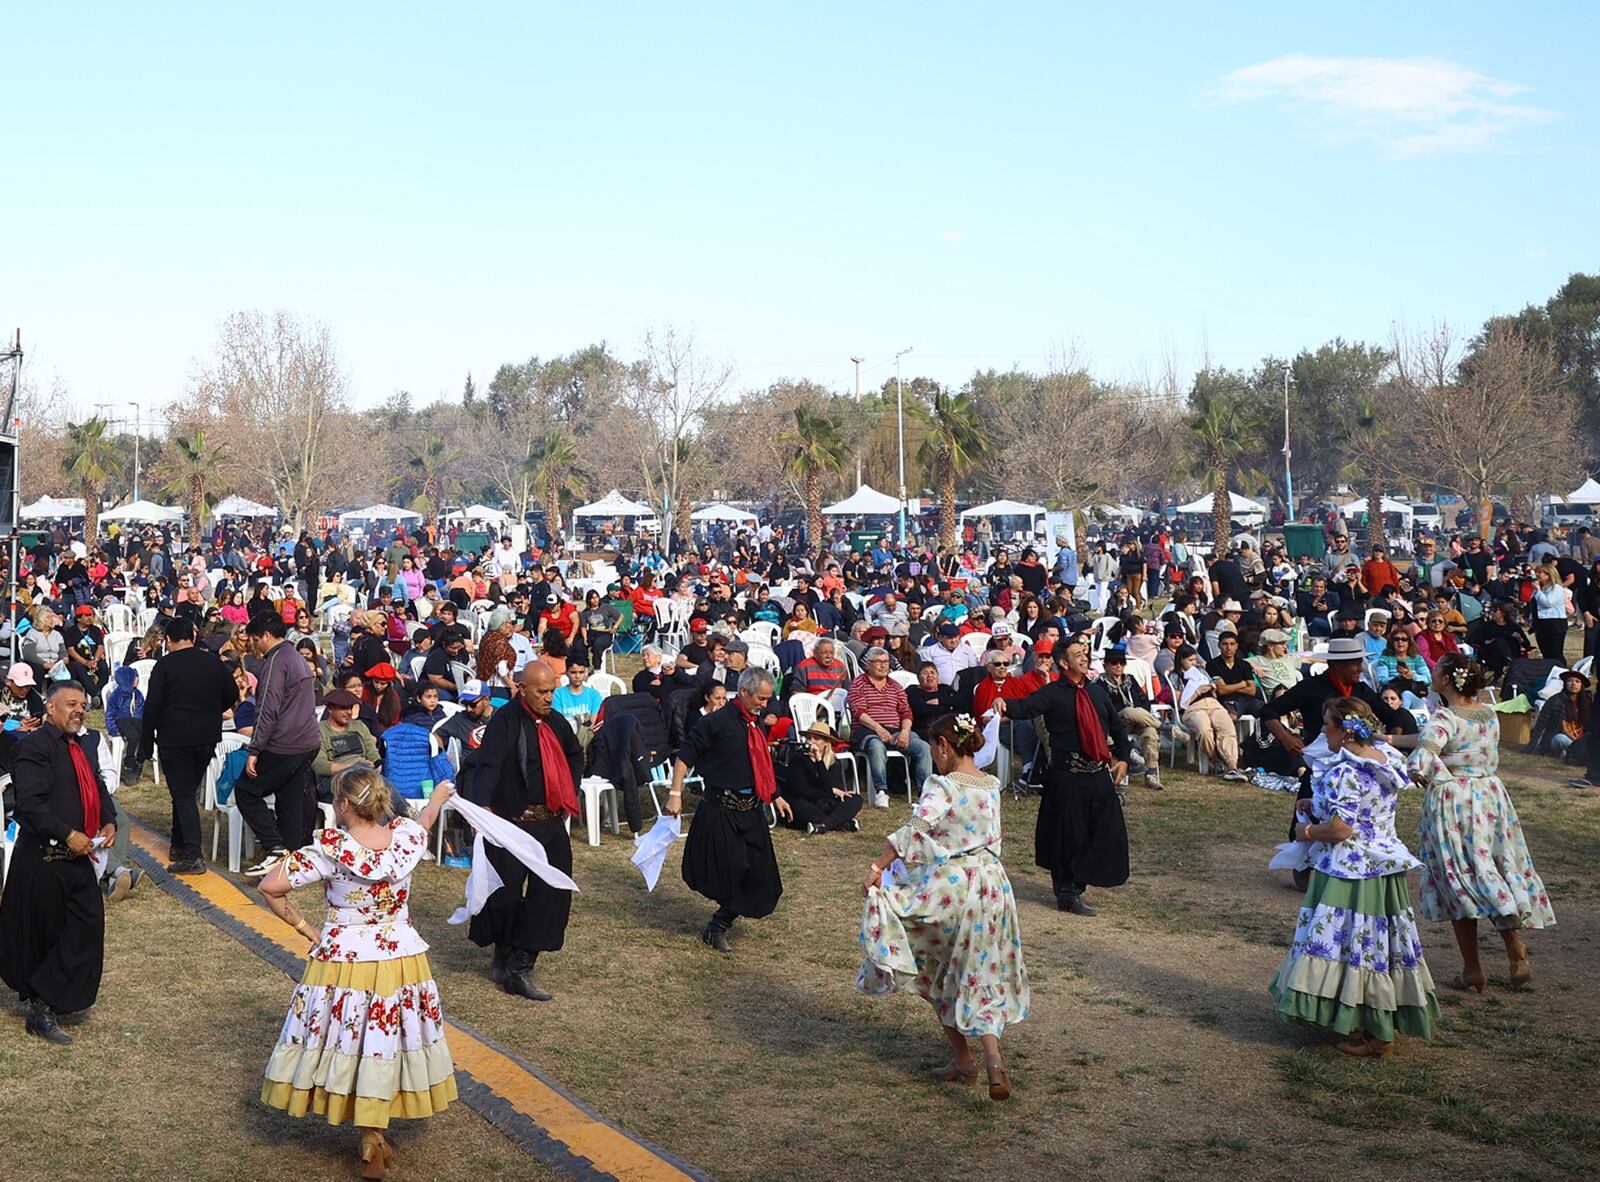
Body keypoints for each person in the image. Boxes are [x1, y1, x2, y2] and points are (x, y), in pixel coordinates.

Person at [258, 768, 458, 1179]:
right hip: (400, 953)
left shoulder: (330, 850)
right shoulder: (406, 840)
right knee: (387, 1040)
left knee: (348, 1036)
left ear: (344, 805)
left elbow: (270, 886)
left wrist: (309, 931)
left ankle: (366, 1129)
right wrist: (436, 798)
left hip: (344, 956)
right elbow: (423, 823)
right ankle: (374, 1130)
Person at [859, 712, 1028, 1101]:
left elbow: (916, 828)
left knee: (928, 965)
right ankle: (990, 1060)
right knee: (979, 970)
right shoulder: (990, 785)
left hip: (955, 886)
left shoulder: (944, 785)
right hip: (994, 886)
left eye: (935, 748)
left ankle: (963, 1057)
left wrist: (877, 867)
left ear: (943, 745)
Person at [1269, 698, 1438, 1057]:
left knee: (1349, 944)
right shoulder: (1386, 761)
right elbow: (1365, 810)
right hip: (1383, 865)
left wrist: (1306, 832)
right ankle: (1377, 1022)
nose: (1322, 731)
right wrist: (1313, 805)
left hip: (1348, 870)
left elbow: (1343, 828)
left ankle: (1374, 1032)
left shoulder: (1344, 772)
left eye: (1326, 724)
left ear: (1345, 729)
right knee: (1378, 946)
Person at [1408, 654, 1554, 991]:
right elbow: (1445, 743)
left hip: (1454, 803)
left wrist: (1416, 769)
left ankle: (1474, 967)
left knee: (1456, 878)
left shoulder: (1444, 716)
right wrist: (1389, 740)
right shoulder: (1488, 713)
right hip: (1489, 797)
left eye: (1437, 667)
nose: (1432, 671)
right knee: (1489, 867)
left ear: (1446, 679)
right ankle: (1512, 946)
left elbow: (1425, 754)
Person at [0, 681, 117, 1044]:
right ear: (50, 708)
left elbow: (96, 787)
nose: (79, 710)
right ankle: (41, 1008)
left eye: (82, 705)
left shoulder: (79, 746)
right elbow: (30, 804)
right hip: (44, 859)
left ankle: (52, 996)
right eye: (71, 704)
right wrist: (68, 834)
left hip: (79, 858)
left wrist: (109, 818)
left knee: (86, 928)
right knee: (46, 937)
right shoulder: (33, 747)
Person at [465, 661, 582, 1001]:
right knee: (506, 894)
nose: (548, 698)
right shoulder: (504, 722)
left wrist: (566, 792)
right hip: (511, 822)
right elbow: (488, 764)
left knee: (554, 890)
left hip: (548, 821)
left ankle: (522, 964)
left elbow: (575, 755)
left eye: (552, 692)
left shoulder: (556, 723)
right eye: (542, 692)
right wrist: (483, 809)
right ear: (522, 688)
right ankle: (503, 952)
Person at [994, 638, 1129, 916]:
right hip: (1067, 777)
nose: (1084, 658)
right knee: (1070, 835)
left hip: (1097, 774)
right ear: (1064, 663)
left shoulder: (1097, 692)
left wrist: (1124, 758)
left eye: (1085, 653)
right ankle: (1068, 891)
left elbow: (1116, 726)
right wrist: (1002, 702)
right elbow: (1025, 708)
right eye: (1077, 655)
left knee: (1106, 830)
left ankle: (1080, 879)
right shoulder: (1052, 693)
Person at [666, 668, 792, 953]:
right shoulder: (715, 723)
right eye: (760, 698)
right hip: (721, 810)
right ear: (745, 692)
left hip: (751, 811)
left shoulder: (755, 726)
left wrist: (776, 796)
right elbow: (685, 758)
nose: (764, 704)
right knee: (734, 870)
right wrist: (675, 795)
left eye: (768, 699)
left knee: (763, 877)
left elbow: (760, 765)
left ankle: (720, 921)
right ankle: (718, 926)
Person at [136, 616, 239, 874]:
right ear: (192, 637)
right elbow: (232, 693)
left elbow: (152, 706)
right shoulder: (213, 662)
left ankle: (193, 854)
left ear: (168, 640)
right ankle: (179, 843)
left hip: (175, 737)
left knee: (182, 794)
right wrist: (213, 709)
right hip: (206, 736)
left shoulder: (165, 665)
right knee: (185, 792)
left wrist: (145, 745)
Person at [239, 613, 322, 876]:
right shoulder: (297, 657)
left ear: (266, 635)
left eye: (255, 639)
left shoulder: (275, 661)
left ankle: (274, 847)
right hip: (307, 742)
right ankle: (290, 862)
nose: (254, 646)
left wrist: (255, 749)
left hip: (284, 744)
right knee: (290, 801)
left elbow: (266, 710)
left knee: (246, 791)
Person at [847, 647, 933, 808]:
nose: (883, 665)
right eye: (878, 662)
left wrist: (906, 732)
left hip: (896, 730)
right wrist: (878, 729)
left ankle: (924, 794)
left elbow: (906, 712)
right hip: (867, 730)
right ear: (868, 664)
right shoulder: (858, 683)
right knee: (876, 746)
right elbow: (858, 712)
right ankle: (881, 791)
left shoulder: (895, 686)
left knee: (924, 748)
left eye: (886, 662)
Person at [1174, 645, 1247, 780]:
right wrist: (1197, 691)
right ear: (1181, 660)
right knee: (1204, 730)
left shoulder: (1201, 671)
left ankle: (1232, 765)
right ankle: (1215, 759)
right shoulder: (1176, 677)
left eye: (1195, 660)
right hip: (1193, 707)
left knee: (1227, 727)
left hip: (1212, 703)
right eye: (1190, 660)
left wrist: (1212, 690)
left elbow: (1214, 694)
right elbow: (1180, 703)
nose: (1193, 663)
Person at [779, 724, 863, 834]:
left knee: (855, 799)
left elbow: (830, 788)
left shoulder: (834, 762)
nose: (811, 741)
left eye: (816, 738)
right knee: (801, 806)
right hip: (805, 802)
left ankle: (824, 825)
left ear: (826, 743)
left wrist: (819, 761)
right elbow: (802, 791)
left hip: (823, 802)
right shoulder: (798, 759)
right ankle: (842, 823)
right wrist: (831, 792)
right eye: (809, 738)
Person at [1100, 648, 1162, 790]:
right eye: (1114, 663)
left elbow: (1143, 700)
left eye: (1122, 663)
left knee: (1150, 732)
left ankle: (1151, 774)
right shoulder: (1100, 683)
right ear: (1106, 665)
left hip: (1137, 720)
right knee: (1128, 711)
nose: (1118, 666)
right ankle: (1164, 727)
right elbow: (1105, 709)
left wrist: (1141, 715)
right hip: (1116, 723)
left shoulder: (1130, 679)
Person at [1527, 667, 1590, 760]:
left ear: (1582, 685)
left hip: (1582, 739)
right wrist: (1532, 745)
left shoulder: (1587, 703)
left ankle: (1572, 754)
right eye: (1570, 681)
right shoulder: (1555, 701)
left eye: (1577, 681)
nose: (1573, 684)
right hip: (1563, 738)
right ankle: (1575, 753)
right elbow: (1541, 725)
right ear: (1565, 684)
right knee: (1560, 739)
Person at [1530, 563, 1573, 661]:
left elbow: (1548, 603)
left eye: (1540, 573)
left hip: (1554, 623)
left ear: (1548, 575)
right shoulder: (1540, 589)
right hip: (1541, 623)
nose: (1537, 575)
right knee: (1546, 652)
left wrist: (1538, 590)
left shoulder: (1556, 588)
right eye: (1536, 572)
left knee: (1556, 653)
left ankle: (1561, 671)